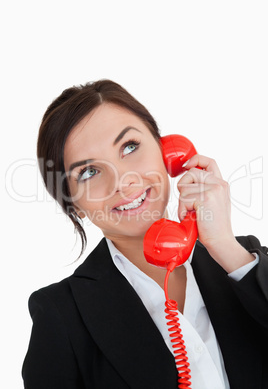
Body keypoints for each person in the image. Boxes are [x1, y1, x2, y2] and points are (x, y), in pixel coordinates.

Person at [22, 79, 268, 389]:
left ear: (167, 151)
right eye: (89, 172)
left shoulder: (244, 263)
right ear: (74, 205)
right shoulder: (60, 315)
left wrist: (225, 247)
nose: (123, 181)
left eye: (129, 147)